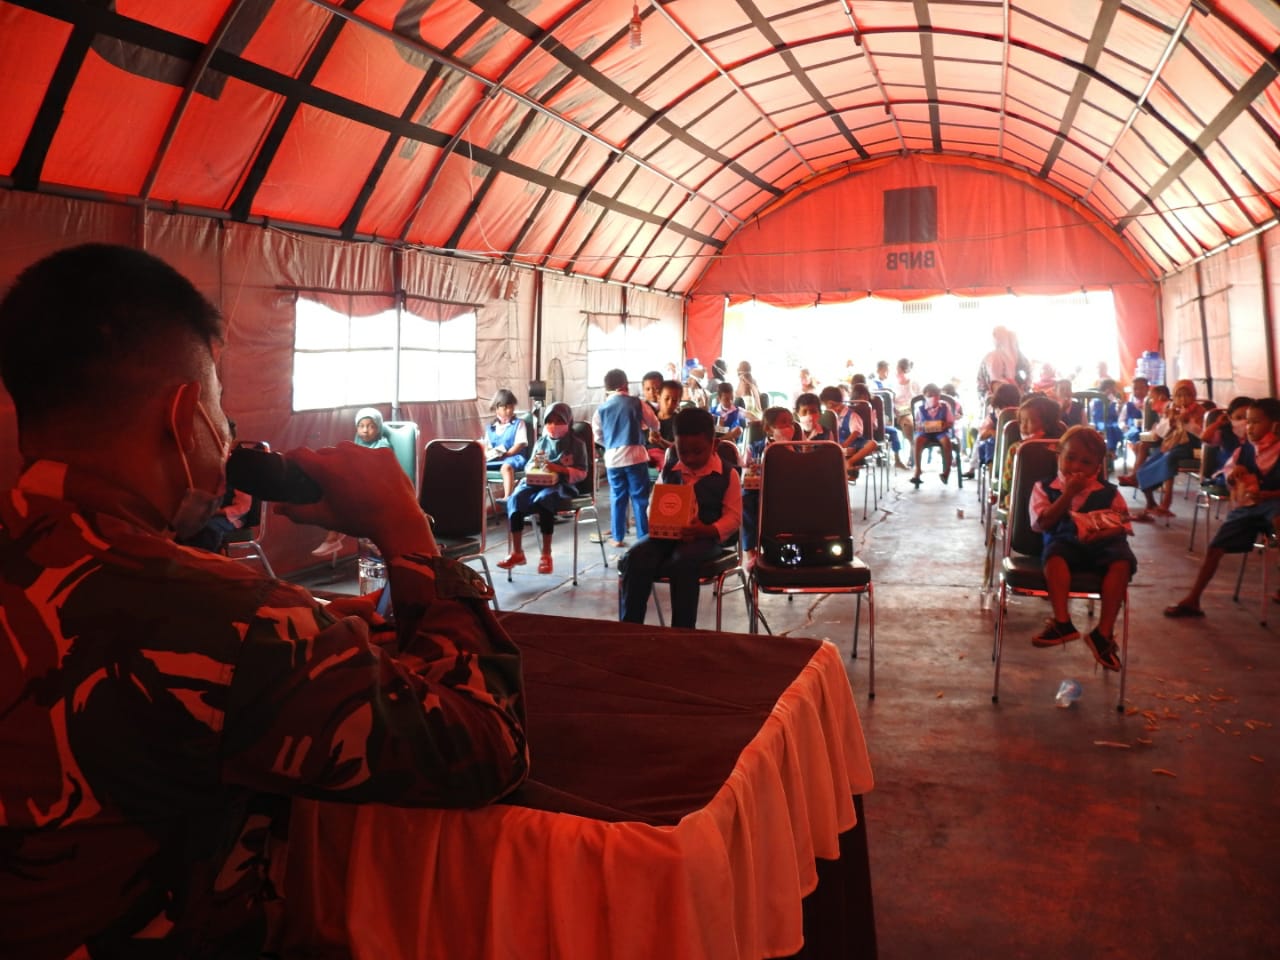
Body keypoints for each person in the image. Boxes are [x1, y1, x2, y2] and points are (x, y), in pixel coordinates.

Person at [0, 243, 528, 959]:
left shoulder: (230, 612)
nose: (225, 435)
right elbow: (486, 747)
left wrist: (304, 620)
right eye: (219, 407)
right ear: (185, 414)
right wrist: (406, 529)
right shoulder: (234, 622)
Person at [618, 408, 742, 628]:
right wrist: (658, 519)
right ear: (675, 445)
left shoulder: (727, 474)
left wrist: (707, 529)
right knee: (635, 557)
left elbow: (733, 517)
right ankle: (630, 627)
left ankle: (682, 632)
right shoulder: (669, 471)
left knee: (683, 562)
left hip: (706, 538)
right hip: (667, 535)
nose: (690, 458)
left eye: (698, 451)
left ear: (714, 445)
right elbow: (654, 504)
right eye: (683, 452)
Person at [1027, 425, 1134, 670]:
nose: (1076, 466)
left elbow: (1123, 525)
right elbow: (1042, 523)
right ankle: (1062, 622)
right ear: (1059, 456)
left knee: (1122, 562)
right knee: (1054, 556)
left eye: (1086, 462)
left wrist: (1102, 532)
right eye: (1070, 458)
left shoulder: (1109, 493)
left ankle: (1103, 633)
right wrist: (1067, 495)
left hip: (1104, 543)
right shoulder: (1045, 487)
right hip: (1064, 542)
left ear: (1097, 467)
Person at [1163, 398, 1280, 618]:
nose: (1249, 427)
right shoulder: (1244, 450)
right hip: (1248, 508)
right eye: (1248, 422)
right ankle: (1193, 599)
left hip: (1274, 505)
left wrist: (1268, 495)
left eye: (1256, 422)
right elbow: (1228, 477)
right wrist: (1235, 477)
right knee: (1215, 547)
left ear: (1275, 425)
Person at [496, 402, 588, 575]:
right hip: (536, 482)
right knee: (516, 498)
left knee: (544, 499)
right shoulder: (541, 442)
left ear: (568, 422)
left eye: (559, 421)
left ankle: (546, 554)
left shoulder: (576, 444)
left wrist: (558, 469)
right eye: (549, 421)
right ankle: (517, 552)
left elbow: (582, 472)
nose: (553, 425)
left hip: (561, 484)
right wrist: (536, 468)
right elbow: (530, 464)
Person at [592, 367, 660, 547]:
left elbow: (597, 435)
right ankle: (643, 537)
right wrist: (649, 428)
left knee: (617, 497)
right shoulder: (637, 403)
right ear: (625, 385)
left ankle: (618, 537)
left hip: (613, 459)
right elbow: (654, 422)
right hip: (636, 456)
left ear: (607, 388)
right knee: (640, 497)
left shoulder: (601, 409)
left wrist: (611, 443)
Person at [312, 405, 393, 556]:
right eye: (361, 426)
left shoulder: (383, 446)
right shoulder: (356, 444)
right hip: (360, 489)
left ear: (379, 428)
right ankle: (333, 539)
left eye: (371, 426)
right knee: (338, 501)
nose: (365, 430)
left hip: (377, 490)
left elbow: (378, 471)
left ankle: (334, 540)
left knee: (347, 506)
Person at [1125, 379, 1206, 518]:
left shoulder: (1200, 411)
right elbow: (1161, 433)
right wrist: (1171, 421)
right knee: (1144, 468)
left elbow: (1202, 435)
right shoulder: (1172, 409)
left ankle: (1166, 502)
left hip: (1189, 446)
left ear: (1193, 395)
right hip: (1170, 444)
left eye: (1187, 395)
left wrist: (1187, 422)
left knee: (1170, 458)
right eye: (1179, 396)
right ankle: (1151, 504)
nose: (1183, 399)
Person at [741, 406, 795, 551]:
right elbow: (744, 471)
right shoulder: (754, 448)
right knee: (745, 499)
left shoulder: (796, 447)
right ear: (768, 428)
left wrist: (788, 448)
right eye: (783, 422)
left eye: (791, 422)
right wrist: (751, 470)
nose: (789, 426)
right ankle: (750, 548)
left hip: (787, 490)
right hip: (759, 490)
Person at [483, 388, 529, 501]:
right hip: (496, 459)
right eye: (505, 408)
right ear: (496, 408)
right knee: (478, 466)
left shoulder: (519, 424)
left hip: (514, 457)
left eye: (511, 407)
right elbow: (487, 447)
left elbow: (520, 444)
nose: (509, 410)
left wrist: (507, 454)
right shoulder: (491, 428)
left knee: (506, 467)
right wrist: (490, 454)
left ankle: (507, 498)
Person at [910, 383, 955, 486]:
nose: (933, 398)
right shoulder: (921, 409)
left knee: (946, 442)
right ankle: (918, 470)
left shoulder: (944, 407)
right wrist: (922, 426)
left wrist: (945, 425)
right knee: (918, 441)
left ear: (939, 396)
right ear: (925, 396)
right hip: (925, 432)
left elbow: (950, 422)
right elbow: (917, 424)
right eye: (930, 395)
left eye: (936, 395)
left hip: (941, 432)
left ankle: (946, 471)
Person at [977, 325, 1030, 397]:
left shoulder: (1019, 358)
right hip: (995, 396)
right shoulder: (991, 357)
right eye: (996, 336)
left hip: (1012, 396)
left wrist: (1024, 389)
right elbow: (984, 381)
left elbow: (1028, 374)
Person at [647, 378, 683, 469]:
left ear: (679, 402)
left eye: (674, 400)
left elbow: (678, 448)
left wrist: (660, 441)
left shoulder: (679, 421)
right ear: (658, 397)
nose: (670, 403)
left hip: (667, 457)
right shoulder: (649, 417)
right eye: (666, 398)